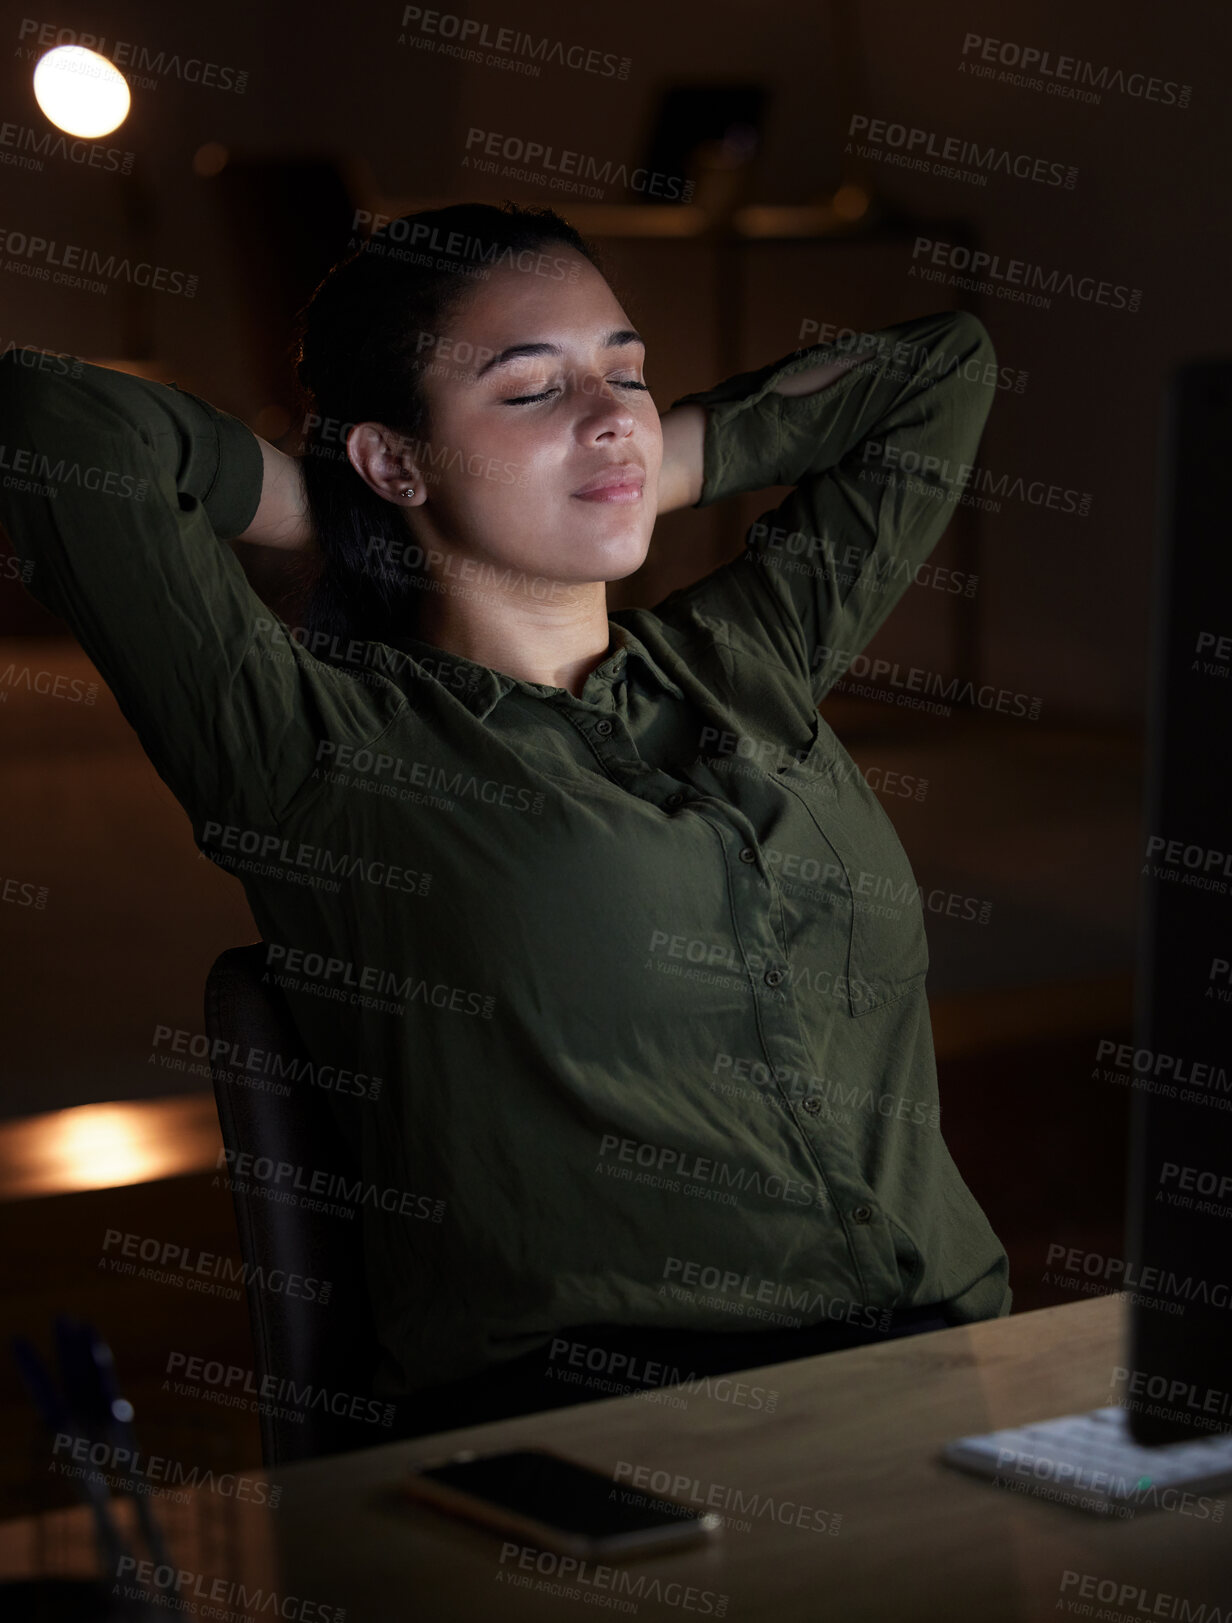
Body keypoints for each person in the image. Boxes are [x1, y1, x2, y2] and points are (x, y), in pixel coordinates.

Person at [0, 200, 1009, 1442]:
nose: (609, 412)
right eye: (530, 392)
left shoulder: (741, 659)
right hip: (618, 1430)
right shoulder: (317, 754)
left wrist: (640, 459)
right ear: (393, 457)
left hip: (954, 1368)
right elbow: (54, 420)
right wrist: (345, 500)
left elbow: (939, 372)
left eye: (626, 372)